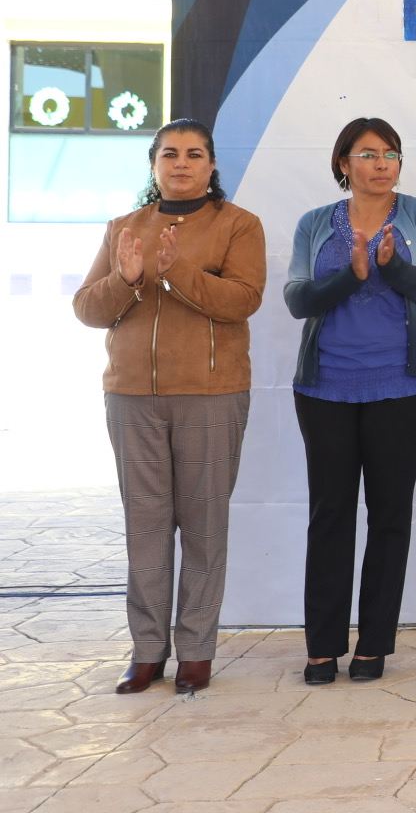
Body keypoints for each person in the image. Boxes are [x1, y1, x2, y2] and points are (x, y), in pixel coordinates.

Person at [72, 119, 266, 695]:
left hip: (212, 394)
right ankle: (148, 651)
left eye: (194, 154)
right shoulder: (122, 229)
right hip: (131, 397)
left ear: (211, 166)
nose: (181, 163)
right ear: (153, 164)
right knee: (146, 526)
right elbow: (87, 308)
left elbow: (242, 301)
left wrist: (175, 270)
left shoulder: (239, 225)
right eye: (169, 154)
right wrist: (128, 279)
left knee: (204, 525)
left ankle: (197, 653)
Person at [284, 118, 416, 684]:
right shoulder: (315, 224)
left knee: (389, 517)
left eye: (391, 154)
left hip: (402, 388)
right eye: (368, 153)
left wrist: (390, 267)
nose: (382, 163)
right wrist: (351, 276)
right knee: (329, 515)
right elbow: (295, 299)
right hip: (325, 387)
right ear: (343, 165)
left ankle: (373, 644)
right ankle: (321, 646)